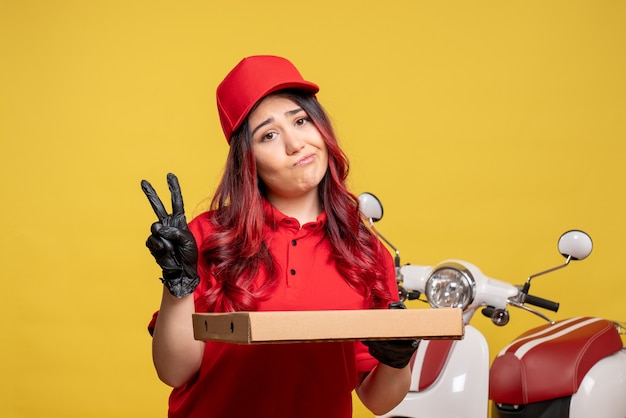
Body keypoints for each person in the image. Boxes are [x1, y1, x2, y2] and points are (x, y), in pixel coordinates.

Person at [141, 55, 418, 418]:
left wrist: (397, 361)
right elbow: (174, 371)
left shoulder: (365, 251)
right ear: (248, 159)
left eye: (301, 121)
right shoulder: (208, 237)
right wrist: (177, 288)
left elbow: (377, 401)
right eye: (268, 134)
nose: (295, 144)